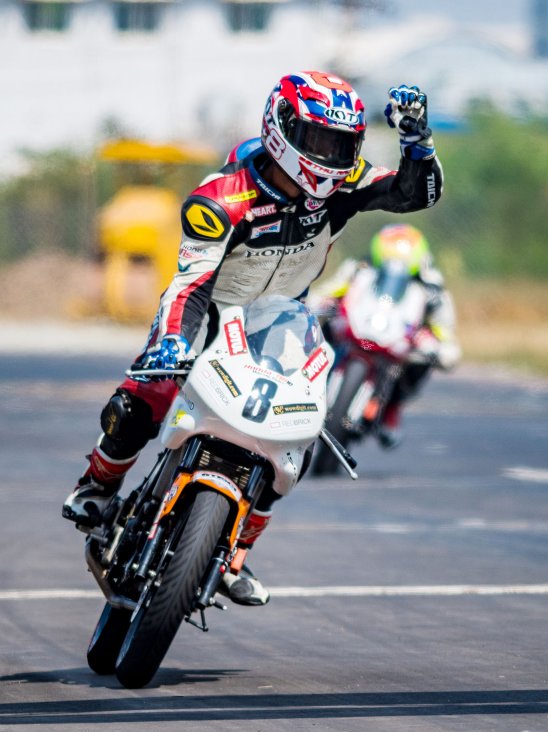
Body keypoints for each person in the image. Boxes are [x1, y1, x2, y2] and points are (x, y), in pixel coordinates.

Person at [62, 73, 443, 604]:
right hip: (208, 308)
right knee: (146, 394)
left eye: (341, 144)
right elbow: (189, 283)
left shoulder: (345, 183)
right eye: (318, 141)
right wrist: (171, 344)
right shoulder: (218, 199)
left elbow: (413, 194)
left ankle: (236, 553)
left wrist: (416, 143)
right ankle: (98, 486)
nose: (330, 158)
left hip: (280, 318)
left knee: (298, 434)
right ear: (281, 128)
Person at [310, 223, 461, 449]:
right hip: (357, 328)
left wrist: (442, 345)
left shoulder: (431, 285)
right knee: (319, 328)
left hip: (401, 341)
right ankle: (308, 386)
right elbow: (328, 291)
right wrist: (320, 304)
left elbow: (444, 326)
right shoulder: (359, 269)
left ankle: (392, 410)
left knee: (421, 363)